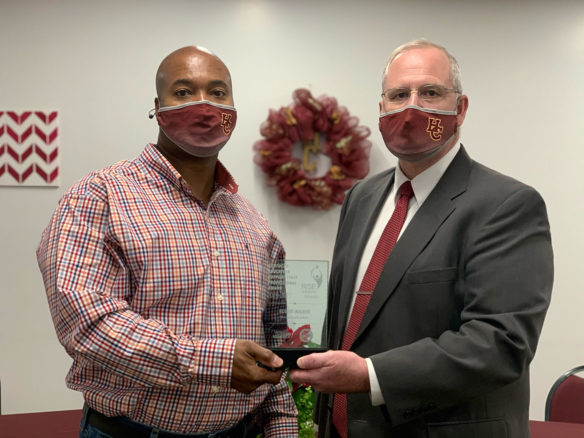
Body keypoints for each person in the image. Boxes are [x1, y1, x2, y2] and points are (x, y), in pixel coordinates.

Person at [290, 39, 553, 438]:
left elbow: (500, 344)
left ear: (459, 109)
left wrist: (370, 375)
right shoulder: (362, 197)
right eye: (398, 95)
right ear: (382, 108)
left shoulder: (506, 205)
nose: (411, 108)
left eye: (430, 92)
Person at [37, 46, 297, 438]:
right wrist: (215, 362)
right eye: (183, 92)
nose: (205, 105)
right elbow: (88, 325)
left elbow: (276, 339)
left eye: (218, 92)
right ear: (157, 107)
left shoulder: (255, 224)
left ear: (233, 107)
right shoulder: (99, 196)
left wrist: (282, 425)